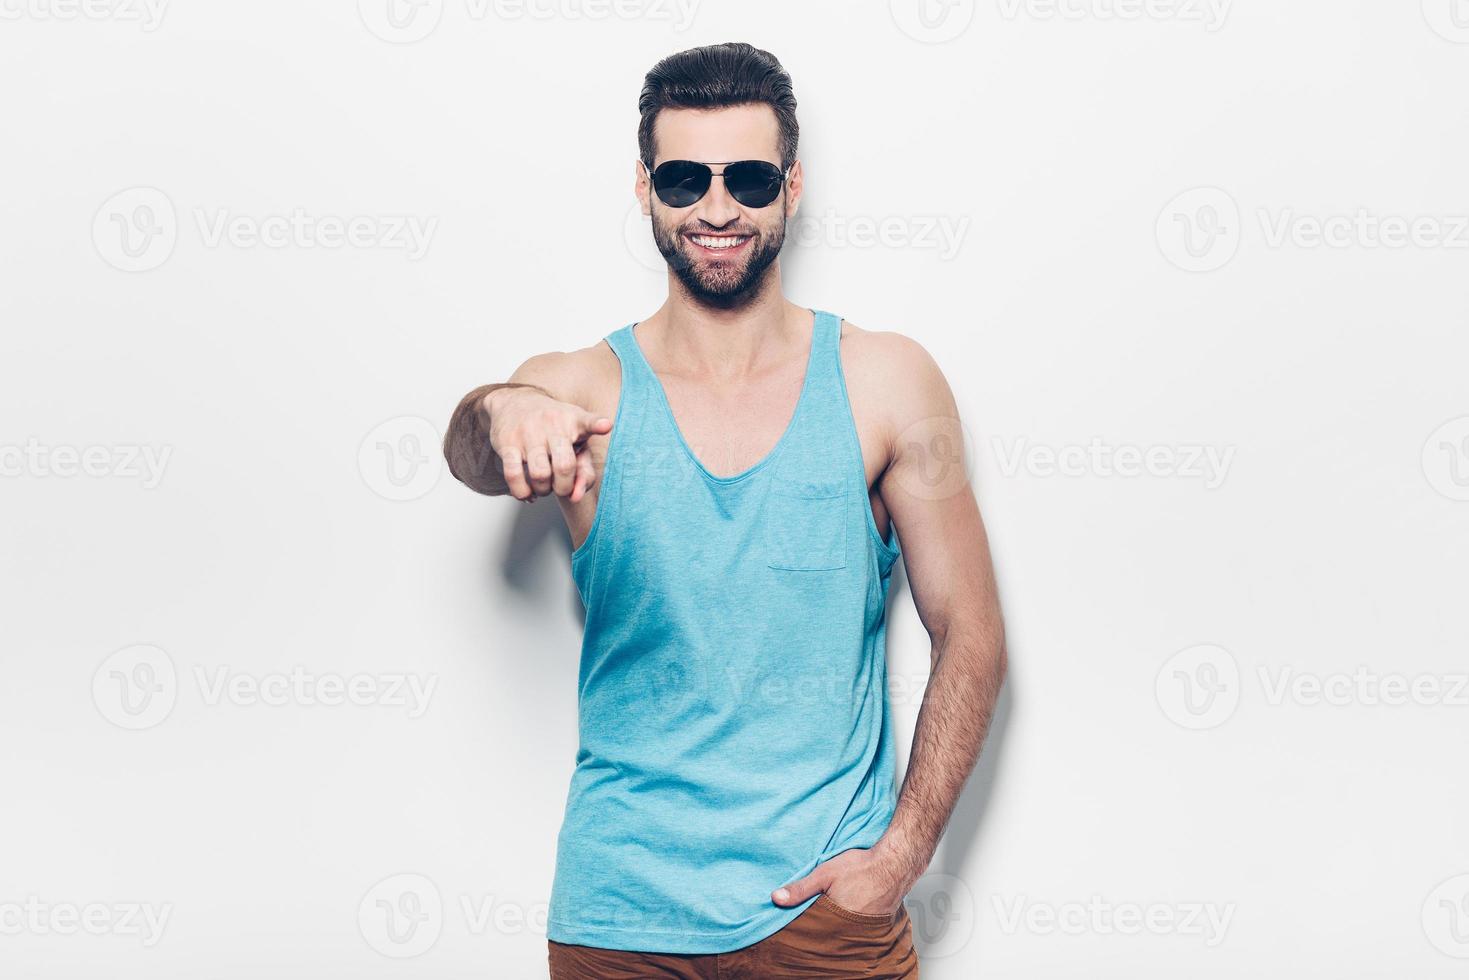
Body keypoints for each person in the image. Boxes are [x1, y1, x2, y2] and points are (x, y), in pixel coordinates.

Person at [443, 41, 1007, 979]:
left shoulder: (886, 382)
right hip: (619, 916)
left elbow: (973, 632)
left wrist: (901, 856)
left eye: (746, 177)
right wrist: (503, 409)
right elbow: (471, 453)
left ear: (790, 186)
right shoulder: (580, 388)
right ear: (643, 186)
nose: (715, 208)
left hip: (826, 916)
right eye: (683, 179)